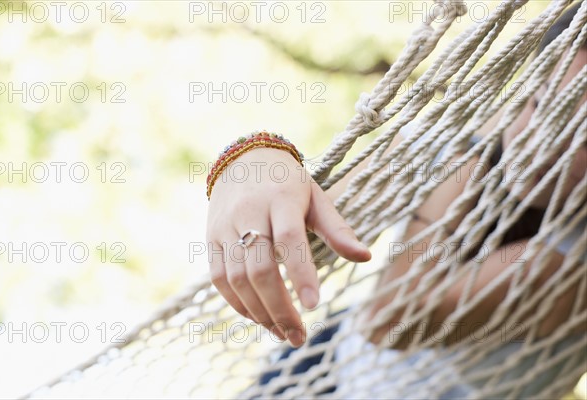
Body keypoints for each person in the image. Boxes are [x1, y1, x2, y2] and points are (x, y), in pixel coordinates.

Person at [205, 3, 586, 397]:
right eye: (543, 106)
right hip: (318, 367)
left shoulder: (573, 259)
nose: (549, 146)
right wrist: (254, 159)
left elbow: (391, 320)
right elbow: (319, 217)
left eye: (585, 139)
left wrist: (469, 156)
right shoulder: (465, 130)